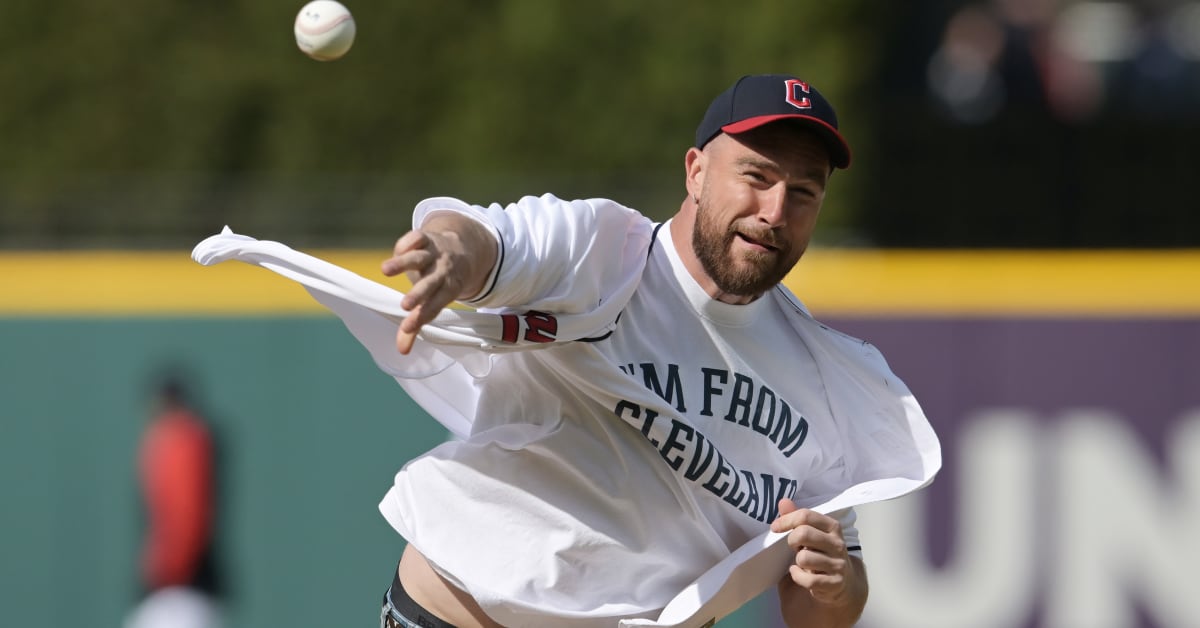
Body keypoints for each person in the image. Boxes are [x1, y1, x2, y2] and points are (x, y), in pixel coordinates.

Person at [366, 73, 939, 628]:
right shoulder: (603, 252)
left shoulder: (823, 376)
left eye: (804, 192)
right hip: (459, 611)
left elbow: (815, 610)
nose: (774, 211)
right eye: (756, 175)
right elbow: (491, 241)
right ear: (695, 171)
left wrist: (837, 584)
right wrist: (451, 253)